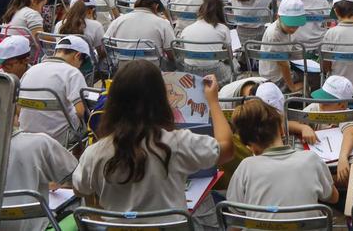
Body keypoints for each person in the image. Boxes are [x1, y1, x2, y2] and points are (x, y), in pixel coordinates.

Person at [73, 61, 233, 230]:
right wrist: (213, 102)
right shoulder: (178, 143)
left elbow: (80, 189)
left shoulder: (94, 153)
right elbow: (227, 149)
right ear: (161, 99)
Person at [225, 98, 338, 217]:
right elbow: (333, 198)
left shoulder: (245, 167)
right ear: (282, 129)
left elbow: (235, 213)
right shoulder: (311, 159)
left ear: (249, 145)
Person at [18, 35, 90, 145]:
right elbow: (80, 111)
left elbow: (18, 108)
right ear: (78, 56)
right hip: (58, 138)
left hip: (26, 134)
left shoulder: (31, 70)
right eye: (82, 63)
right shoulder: (73, 73)